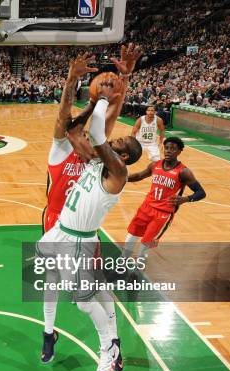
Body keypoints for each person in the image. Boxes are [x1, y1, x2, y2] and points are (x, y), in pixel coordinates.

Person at [38, 80, 143, 371]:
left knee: (83, 303)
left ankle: (108, 346)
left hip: (79, 241)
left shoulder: (119, 173)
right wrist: (94, 100)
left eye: (119, 143)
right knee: (55, 279)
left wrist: (102, 100)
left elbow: (97, 133)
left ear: (122, 158)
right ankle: (61, 330)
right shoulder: (96, 161)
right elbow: (73, 131)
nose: (114, 141)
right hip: (60, 231)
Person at [44, 44, 141, 233]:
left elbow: (111, 116)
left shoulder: (99, 159)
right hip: (57, 220)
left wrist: (124, 79)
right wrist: (72, 80)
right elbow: (64, 113)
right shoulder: (62, 147)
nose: (90, 138)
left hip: (86, 226)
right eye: (85, 135)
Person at [122, 136, 206, 260]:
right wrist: (123, 179)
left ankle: (137, 270)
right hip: (146, 207)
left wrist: (186, 199)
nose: (168, 151)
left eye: (172, 148)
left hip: (163, 213)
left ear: (179, 151)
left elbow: (201, 192)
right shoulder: (155, 165)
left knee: (146, 243)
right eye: (166, 148)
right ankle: (121, 263)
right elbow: (140, 175)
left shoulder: (183, 171)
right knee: (131, 235)